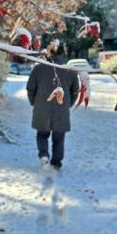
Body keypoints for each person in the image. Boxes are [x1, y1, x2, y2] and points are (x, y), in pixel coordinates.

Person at [26, 40, 79, 170]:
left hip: (41, 108)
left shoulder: (38, 69)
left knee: (42, 134)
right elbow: (75, 91)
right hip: (61, 109)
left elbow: (30, 88)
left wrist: (34, 102)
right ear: (65, 53)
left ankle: (44, 156)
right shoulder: (70, 71)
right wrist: (68, 104)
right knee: (59, 137)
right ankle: (56, 162)